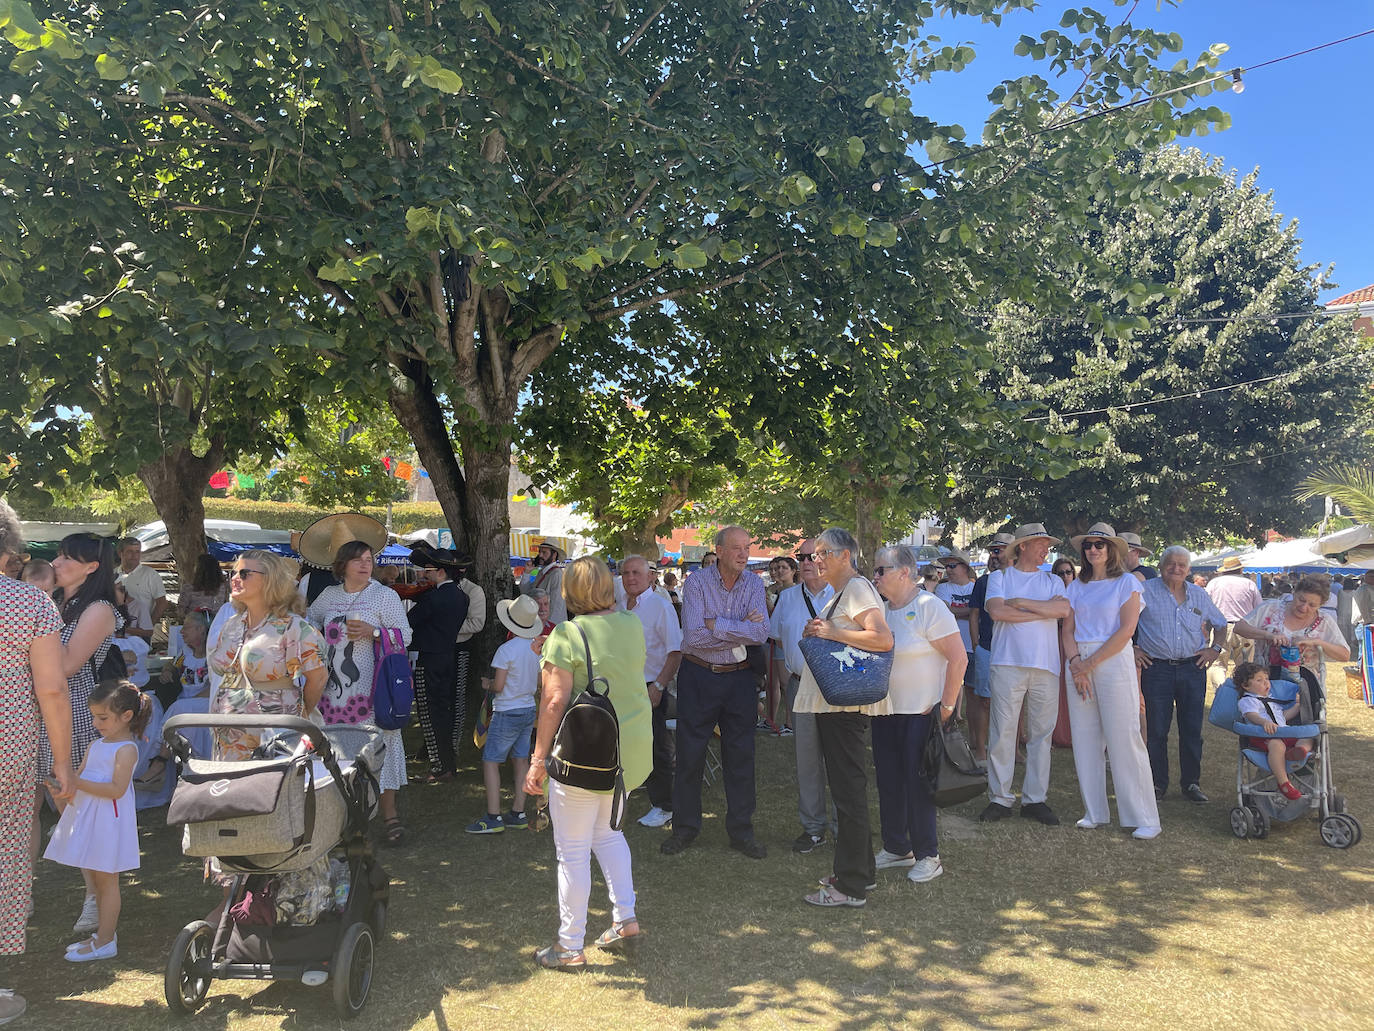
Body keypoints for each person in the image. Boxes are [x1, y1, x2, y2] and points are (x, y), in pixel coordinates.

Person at [523, 556, 652, 970]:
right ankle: (624, 918)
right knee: (609, 835)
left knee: (572, 852)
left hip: (584, 755)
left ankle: (569, 945)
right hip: (627, 751)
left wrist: (538, 760)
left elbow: (554, 700)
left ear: (569, 591)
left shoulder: (567, 632)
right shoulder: (631, 623)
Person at [0, 500, 73, 1024]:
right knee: (6, 856)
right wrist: (63, 764)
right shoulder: (29, 603)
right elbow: (50, 689)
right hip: (11, 746)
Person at [793, 528, 893, 908]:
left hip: (843, 707)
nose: (816, 559)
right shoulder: (843, 592)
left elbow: (883, 640)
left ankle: (850, 887)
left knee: (848, 794)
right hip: (834, 704)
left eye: (823, 553)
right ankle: (859, 874)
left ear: (846, 555)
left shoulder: (858, 589)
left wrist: (832, 631)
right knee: (847, 791)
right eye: (814, 554)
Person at [662, 526, 771, 859]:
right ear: (719, 551)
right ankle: (684, 829)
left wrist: (718, 625)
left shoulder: (754, 583)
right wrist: (741, 629)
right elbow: (693, 638)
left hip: (739, 680)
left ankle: (741, 831)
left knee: (741, 756)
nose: (744, 554)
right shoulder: (696, 582)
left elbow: (762, 632)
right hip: (699, 675)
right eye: (736, 548)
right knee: (690, 754)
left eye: (747, 547)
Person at [308, 540, 413, 844]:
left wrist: (375, 632)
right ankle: (345, 819)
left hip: (372, 689)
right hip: (332, 691)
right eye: (358, 560)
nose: (366, 565)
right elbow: (311, 620)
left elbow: (405, 635)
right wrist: (315, 636)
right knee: (339, 750)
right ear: (343, 566)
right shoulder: (329, 596)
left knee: (382, 746)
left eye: (369, 559)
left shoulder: (384, 595)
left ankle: (390, 814)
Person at [872, 545, 966, 884]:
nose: (876, 577)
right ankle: (897, 846)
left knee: (918, 785)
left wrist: (947, 706)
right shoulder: (880, 610)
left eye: (881, 570)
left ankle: (929, 854)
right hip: (884, 710)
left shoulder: (930, 607)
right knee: (889, 782)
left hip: (921, 712)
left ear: (903, 572)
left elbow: (958, 659)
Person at [1061, 523, 1159, 838]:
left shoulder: (1127, 582)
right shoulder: (1076, 586)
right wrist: (1077, 664)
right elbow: (1068, 630)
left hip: (1113, 661)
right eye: (1088, 545)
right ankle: (1094, 812)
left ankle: (1144, 818)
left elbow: (1126, 630)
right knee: (1086, 737)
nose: (1092, 550)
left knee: (1124, 738)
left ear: (1111, 550)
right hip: (1079, 663)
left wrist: (1088, 664)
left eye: (1099, 545)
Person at [46, 533, 123, 938]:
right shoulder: (55, 603)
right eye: (58, 555)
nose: (57, 562)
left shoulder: (99, 609)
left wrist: (36, 623)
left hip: (74, 713)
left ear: (92, 566)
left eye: (66, 557)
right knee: (64, 812)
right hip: (41, 710)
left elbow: (70, 664)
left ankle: (97, 899)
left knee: (79, 810)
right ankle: (90, 892)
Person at [43, 679, 149, 962]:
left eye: (102, 717)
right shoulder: (96, 744)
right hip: (90, 819)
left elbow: (116, 790)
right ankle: (103, 935)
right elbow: (79, 779)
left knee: (107, 882)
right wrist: (62, 788)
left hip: (108, 824)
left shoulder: (126, 750)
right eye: (94, 716)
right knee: (98, 882)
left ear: (126, 716)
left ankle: (105, 941)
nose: (95, 722)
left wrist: (76, 781)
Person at [982, 523, 1069, 826]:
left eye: (1047, 543)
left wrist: (1020, 604)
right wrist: (1041, 611)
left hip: (1046, 665)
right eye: (1041, 543)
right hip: (1007, 663)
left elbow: (1063, 611)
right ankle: (999, 798)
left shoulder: (1053, 581)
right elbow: (996, 612)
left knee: (1041, 735)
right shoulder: (999, 577)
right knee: (1003, 732)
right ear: (1022, 546)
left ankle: (1035, 799)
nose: (1046, 549)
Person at [1135, 546, 1228, 803]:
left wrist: (1215, 650)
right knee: (1156, 729)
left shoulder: (1199, 595)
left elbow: (1221, 625)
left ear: (1188, 570)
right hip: (1157, 669)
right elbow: (1124, 622)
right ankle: (1156, 784)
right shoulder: (1145, 591)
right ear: (1162, 564)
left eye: (1182, 565)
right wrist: (1133, 647)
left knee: (1191, 729)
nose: (1176, 569)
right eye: (1171, 563)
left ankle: (1191, 784)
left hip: (1192, 668)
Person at [769, 539, 836, 854]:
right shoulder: (787, 597)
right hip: (801, 685)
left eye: (814, 555)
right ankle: (813, 829)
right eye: (802, 556)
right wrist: (786, 681)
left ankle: (844, 826)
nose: (807, 561)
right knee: (807, 762)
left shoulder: (845, 594)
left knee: (841, 760)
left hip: (838, 686)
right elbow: (777, 639)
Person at [613, 556, 683, 829]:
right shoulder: (618, 606)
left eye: (636, 573)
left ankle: (665, 805)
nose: (630, 578)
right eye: (626, 573)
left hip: (649, 686)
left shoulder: (660, 607)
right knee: (621, 743)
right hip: (621, 686)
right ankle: (622, 793)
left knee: (655, 747)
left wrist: (659, 687)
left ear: (651, 577)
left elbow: (675, 652)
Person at [467, 595, 542, 834]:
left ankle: (493, 816)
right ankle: (518, 812)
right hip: (528, 708)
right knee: (520, 760)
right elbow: (539, 682)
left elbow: (498, 686)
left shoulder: (506, 650)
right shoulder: (535, 648)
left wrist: (487, 684)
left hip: (507, 710)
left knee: (491, 761)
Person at [407, 545, 469, 783]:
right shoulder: (462, 596)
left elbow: (410, 620)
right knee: (443, 711)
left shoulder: (434, 596)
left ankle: (439, 766)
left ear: (442, 572)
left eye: (430, 570)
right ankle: (448, 763)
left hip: (430, 658)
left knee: (429, 713)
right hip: (448, 655)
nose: (426, 574)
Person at [1233, 576, 1350, 692]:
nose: (1304, 608)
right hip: (1264, 686)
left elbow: (1344, 655)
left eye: (1312, 605)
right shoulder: (1270, 608)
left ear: (1321, 605)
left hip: (1305, 690)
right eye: (1301, 600)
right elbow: (1239, 627)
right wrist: (1268, 635)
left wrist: (1316, 643)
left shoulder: (1324, 621)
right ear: (1294, 593)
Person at [1234, 661, 1311, 800]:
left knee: (1308, 737)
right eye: (1259, 680)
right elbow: (1251, 714)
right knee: (1277, 744)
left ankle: (1299, 751)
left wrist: (1298, 706)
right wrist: (1264, 722)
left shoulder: (1271, 699)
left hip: (1282, 731)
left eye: (1266, 679)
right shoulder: (1247, 700)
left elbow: (1282, 717)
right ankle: (1284, 783)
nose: (1266, 683)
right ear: (1245, 686)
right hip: (1264, 735)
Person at [966, 532, 1013, 761]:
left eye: (998, 550)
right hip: (987, 647)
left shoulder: (1019, 580)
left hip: (1013, 650)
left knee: (1013, 702)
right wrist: (976, 646)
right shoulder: (983, 582)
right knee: (984, 700)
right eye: (992, 551)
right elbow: (974, 615)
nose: (993, 555)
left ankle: (1011, 749)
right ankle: (982, 750)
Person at [454, 558, 487, 760]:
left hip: (460, 647)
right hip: (439, 647)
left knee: (457, 698)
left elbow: (476, 623)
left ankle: (453, 745)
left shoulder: (473, 591)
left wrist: (446, 629)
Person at [934, 551, 976, 702]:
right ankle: (945, 725)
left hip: (972, 647)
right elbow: (946, 612)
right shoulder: (942, 588)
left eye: (952, 566)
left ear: (965, 567)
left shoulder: (977, 587)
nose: (948, 570)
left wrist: (956, 612)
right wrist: (973, 612)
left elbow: (983, 613)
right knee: (946, 692)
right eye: (946, 566)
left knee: (973, 694)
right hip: (948, 649)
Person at [1206, 556, 1263, 665]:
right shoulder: (1249, 584)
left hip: (1221, 627)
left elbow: (1205, 605)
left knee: (1218, 662)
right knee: (1245, 665)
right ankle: (1244, 681)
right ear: (1240, 570)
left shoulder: (1214, 583)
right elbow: (1259, 608)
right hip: (1245, 627)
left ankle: (1220, 683)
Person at [114, 537, 167, 641]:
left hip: (140, 635)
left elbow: (162, 603)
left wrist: (149, 625)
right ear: (120, 553)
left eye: (137, 552)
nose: (134, 556)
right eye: (130, 552)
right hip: (115, 634)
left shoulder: (150, 574)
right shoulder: (112, 574)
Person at [520, 538, 569, 624]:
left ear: (554, 555)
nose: (540, 555)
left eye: (544, 552)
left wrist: (547, 629)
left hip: (550, 627)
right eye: (540, 552)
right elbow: (526, 593)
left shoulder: (556, 574)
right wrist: (527, 572)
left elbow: (557, 606)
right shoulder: (541, 573)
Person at [176, 554, 229, 619]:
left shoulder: (189, 587)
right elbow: (226, 605)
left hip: (194, 624)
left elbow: (181, 610)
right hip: (216, 622)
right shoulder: (223, 587)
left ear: (199, 569)